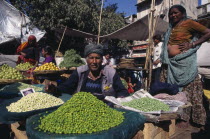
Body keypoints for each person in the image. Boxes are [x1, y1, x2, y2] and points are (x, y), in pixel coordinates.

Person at [160, 5, 210, 129]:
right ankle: (173, 116)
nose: (173, 15)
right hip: (171, 64)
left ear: (183, 13)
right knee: (171, 91)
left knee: (189, 92)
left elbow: (208, 32)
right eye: (171, 14)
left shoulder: (189, 23)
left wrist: (193, 44)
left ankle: (189, 119)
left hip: (184, 64)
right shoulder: (171, 27)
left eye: (175, 13)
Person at [45, 44, 129, 101]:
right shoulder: (80, 71)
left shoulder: (110, 73)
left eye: (97, 58)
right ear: (86, 59)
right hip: (82, 108)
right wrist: (55, 89)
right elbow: (67, 87)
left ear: (102, 60)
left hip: (106, 108)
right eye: (91, 58)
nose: (94, 61)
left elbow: (122, 91)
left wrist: (120, 99)